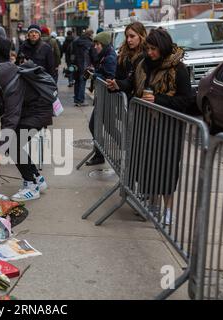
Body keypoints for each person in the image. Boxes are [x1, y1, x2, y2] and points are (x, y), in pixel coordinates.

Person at [115, 28, 192, 225]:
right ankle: (153, 203)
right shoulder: (143, 65)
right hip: (144, 125)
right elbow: (132, 84)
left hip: (168, 129)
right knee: (147, 166)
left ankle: (169, 210)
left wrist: (158, 100)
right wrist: (118, 85)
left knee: (166, 169)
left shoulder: (178, 69)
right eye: (148, 48)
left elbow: (187, 102)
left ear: (164, 48)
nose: (150, 53)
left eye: (154, 49)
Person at [0, 56, 52, 201]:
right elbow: (6, 116)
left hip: (38, 111)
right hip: (26, 111)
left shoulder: (11, 85)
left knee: (12, 145)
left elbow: (10, 120)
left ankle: (32, 187)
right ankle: (37, 179)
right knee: (10, 144)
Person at [83, 31, 117, 166]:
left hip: (108, 99)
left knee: (99, 127)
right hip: (103, 98)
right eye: (95, 44)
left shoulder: (110, 58)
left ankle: (127, 150)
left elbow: (109, 78)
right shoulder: (104, 56)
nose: (95, 47)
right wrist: (93, 72)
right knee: (104, 127)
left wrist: (93, 76)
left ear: (104, 44)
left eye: (97, 44)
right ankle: (99, 154)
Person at [71, 29, 97, 106]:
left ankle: (76, 99)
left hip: (76, 64)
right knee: (83, 82)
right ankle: (81, 100)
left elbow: (71, 53)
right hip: (85, 65)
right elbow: (93, 56)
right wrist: (94, 64)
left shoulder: (76, 42)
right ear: (90, 35)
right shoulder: (90, 43)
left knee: (77, 82)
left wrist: (72, 63)